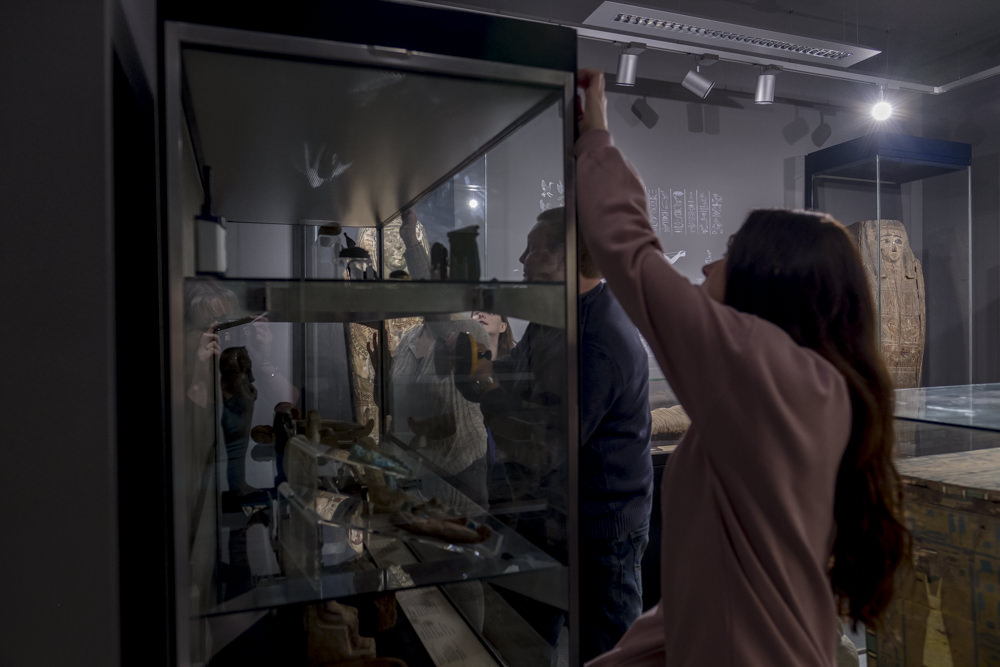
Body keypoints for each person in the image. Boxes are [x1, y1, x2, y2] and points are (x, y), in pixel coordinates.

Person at [573, 68, 909, 666]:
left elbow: (632, 257)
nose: (706, 267)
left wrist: (595, 134)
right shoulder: (796, 388)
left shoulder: (774, 378)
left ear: (769, 282)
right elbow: (708, 595)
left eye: (727, 254)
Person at [463, 207, 654, 662]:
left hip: (599, 534)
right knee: (522, 643)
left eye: (536, 248)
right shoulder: (555, 318)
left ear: (567, 257)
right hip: (547, 517)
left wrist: (485, 385)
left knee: (607, 655)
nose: (524, 258)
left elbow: (546, 443)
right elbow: (518, 376)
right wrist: (485, 373)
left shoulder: (598, 337)